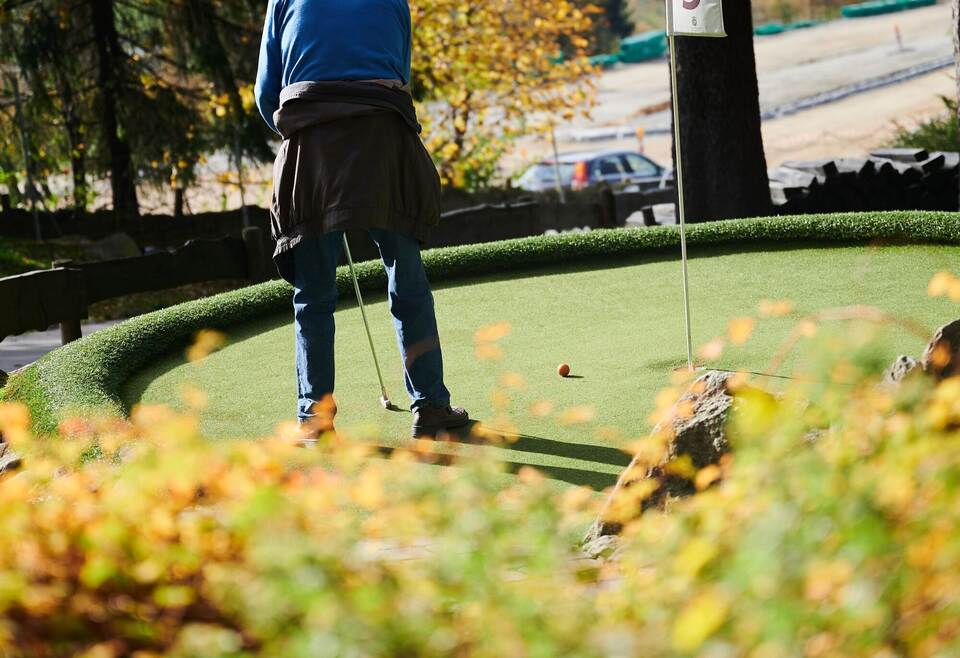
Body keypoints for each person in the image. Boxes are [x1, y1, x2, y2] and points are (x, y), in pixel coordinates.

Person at [255, 0, 469, 439]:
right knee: (406, 278)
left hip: (312, 147)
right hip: (384, 141)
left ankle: (314, 420)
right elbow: (401, 76)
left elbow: (266, 93)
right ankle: (430, 407)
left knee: (313, 294)